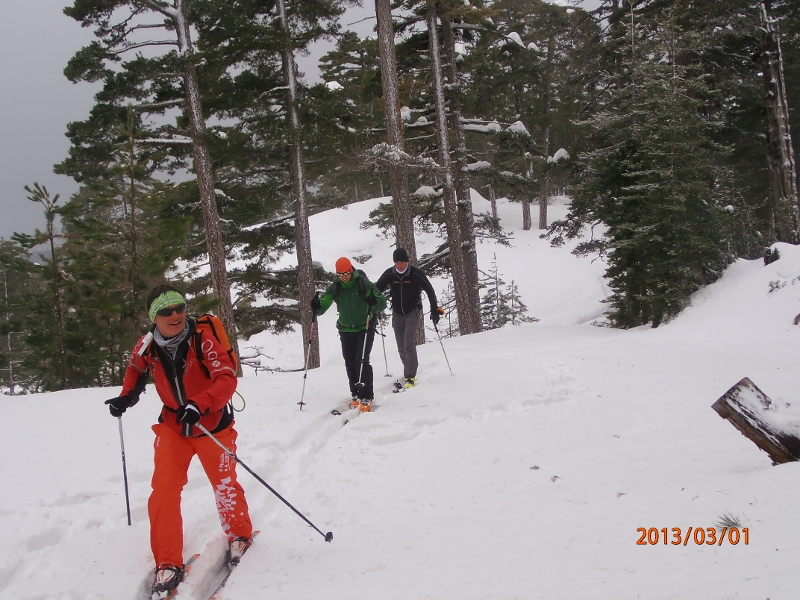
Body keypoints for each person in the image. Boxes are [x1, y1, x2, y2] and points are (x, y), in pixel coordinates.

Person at [104, 285, 254, 598]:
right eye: (166, 311)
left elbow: (226, 377)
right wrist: (124, 398)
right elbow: (135, 371)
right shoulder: (147, 346)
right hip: (174, 425)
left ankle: (240, 533)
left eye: (179, 307)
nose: (175, 315)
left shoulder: (201, 338)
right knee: (164, 491)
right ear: (153, 317)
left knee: (224, 483)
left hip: (211, 423)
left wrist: (201, 403)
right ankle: (167, 562)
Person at [311, 257, 387, 411]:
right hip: (346, 329)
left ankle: (367, 395)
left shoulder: (363, 283)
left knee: (362, 360)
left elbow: (382, 303)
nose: (344, 277)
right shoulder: (335, 287)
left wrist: (373, 301)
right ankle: (356, 393)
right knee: (350, 361)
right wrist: (317, 306)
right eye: (341, 274)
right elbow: (323, 304)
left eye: (346, 273)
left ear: (351, 270)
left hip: (365, 326)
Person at [375, 247, 444, 389]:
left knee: (408, 343)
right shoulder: (390, 273)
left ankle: (410, 376)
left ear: (407, 261)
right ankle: (408, 368)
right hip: (396, 313)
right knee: (400, 346)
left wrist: (434, 309)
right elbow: (376, 289)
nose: (400, 265)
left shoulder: (415, 274)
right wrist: (373, 302)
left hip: (413, 312)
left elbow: (429, 290)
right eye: (397, 262)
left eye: (402, 262)